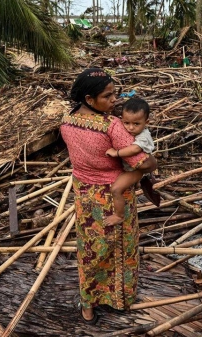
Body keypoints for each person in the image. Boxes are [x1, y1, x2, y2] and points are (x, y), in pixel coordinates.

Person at [60, 68, 157, 325]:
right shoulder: (111, 126)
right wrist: (153, 162)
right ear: (90, 100)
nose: (115, 100)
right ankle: (119, 299)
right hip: (114, 195)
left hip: (83, 195)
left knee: (90, 250)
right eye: (108, 95)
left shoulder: (66, 121)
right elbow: (142, 163)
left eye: (115, 93)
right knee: (121, 248)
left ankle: (88, 304)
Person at [104, 97, 159, 225]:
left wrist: (116, 153)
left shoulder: (143, 136)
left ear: (146, 122)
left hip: (135, 170)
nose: (130, 128)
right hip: (130, 168)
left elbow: (134, 149)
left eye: (136, 124)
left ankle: (119, 215)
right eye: (126, 123)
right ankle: (137, 184)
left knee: (116, 189)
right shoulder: (129, 130)